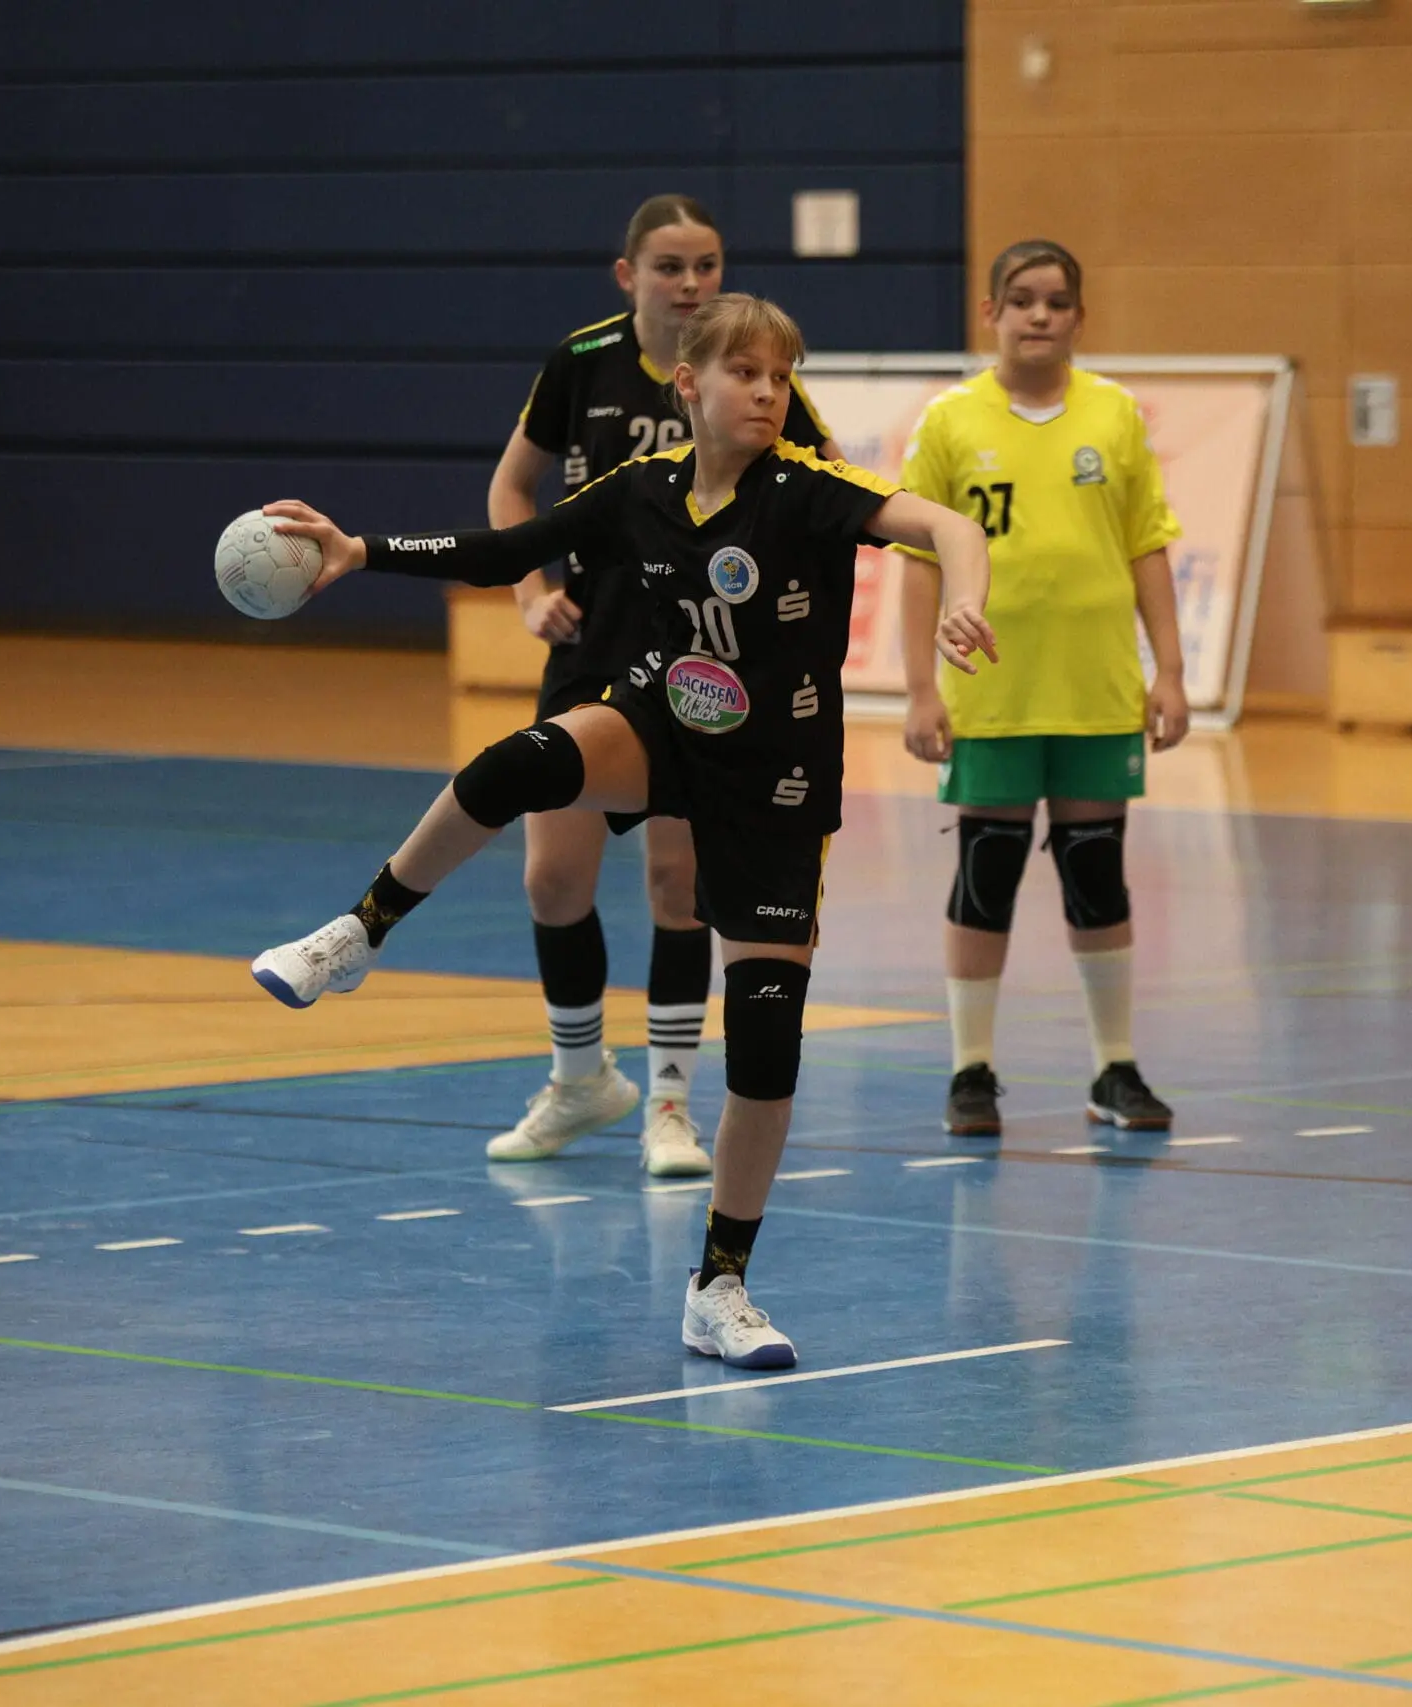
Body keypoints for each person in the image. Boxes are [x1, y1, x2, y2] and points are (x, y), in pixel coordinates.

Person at [251, 295, 994, 1367]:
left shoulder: (810, 489)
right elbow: (507, 547)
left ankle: (719, 1287)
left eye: (780, 377)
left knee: (768, 1045)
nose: (767, 394)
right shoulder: (642, 489)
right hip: (661, 720)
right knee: (518, 763)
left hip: (775, 784)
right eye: (745, 374)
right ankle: (359, 931)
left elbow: (950, 527)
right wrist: (362, 549)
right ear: (688, 384)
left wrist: (966, 593)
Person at [479, 195, 839, 1179]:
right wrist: (531, 590)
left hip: (700, 663)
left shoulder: (745, 369)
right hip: (592, 650)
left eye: (706, 265)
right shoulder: (582, 361)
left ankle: (670, 1104)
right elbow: (512, 485)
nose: (690, 284)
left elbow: (824, 484)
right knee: (552, 878)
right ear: (627, 274)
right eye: (670, 267)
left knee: (680, 885)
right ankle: (579, 1080)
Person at [895, 239, 1187, 1137]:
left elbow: (1147, 544)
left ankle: (1114, 1067)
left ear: (1079, 317)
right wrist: (920, 688)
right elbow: (917, 559)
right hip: (992, 692)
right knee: (985, 874)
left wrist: (1171, 671)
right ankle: (971, 1070)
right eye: (1021, 299)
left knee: (1097, 873)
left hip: (1096, 689)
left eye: (1057, 302)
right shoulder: (949, 421)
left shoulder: (1114, 414)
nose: (1039, 315)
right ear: (991, 312)